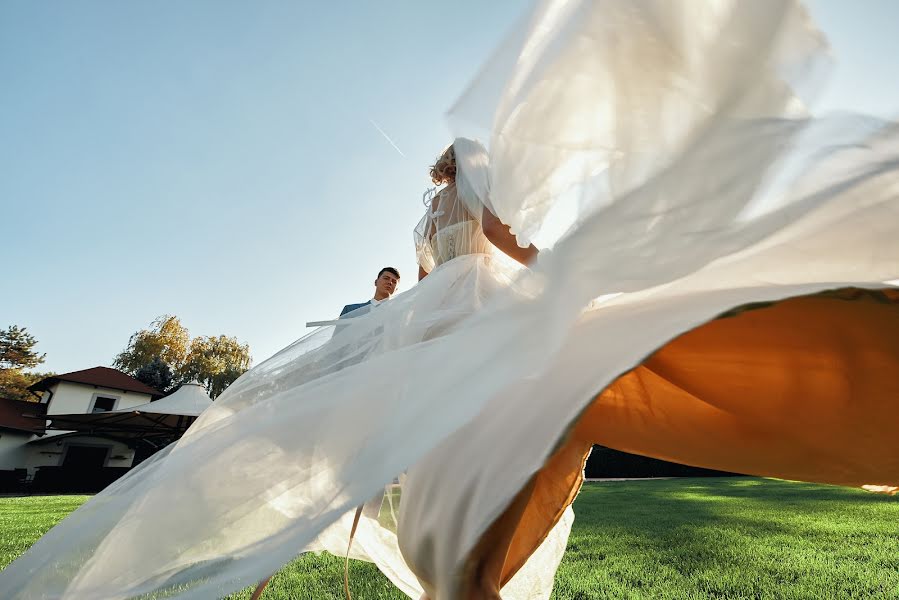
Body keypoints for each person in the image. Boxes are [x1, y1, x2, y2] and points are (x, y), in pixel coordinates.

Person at [2, 2, 898, 600]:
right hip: (489, 322)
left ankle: (462, 559)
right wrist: (582, 270)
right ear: (473, 168)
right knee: (551, 415)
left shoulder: (423, 215)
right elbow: (517, 255)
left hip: (441, 330)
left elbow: (426, 290)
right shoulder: (475, 199)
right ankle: (477, 559)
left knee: (477, 447)